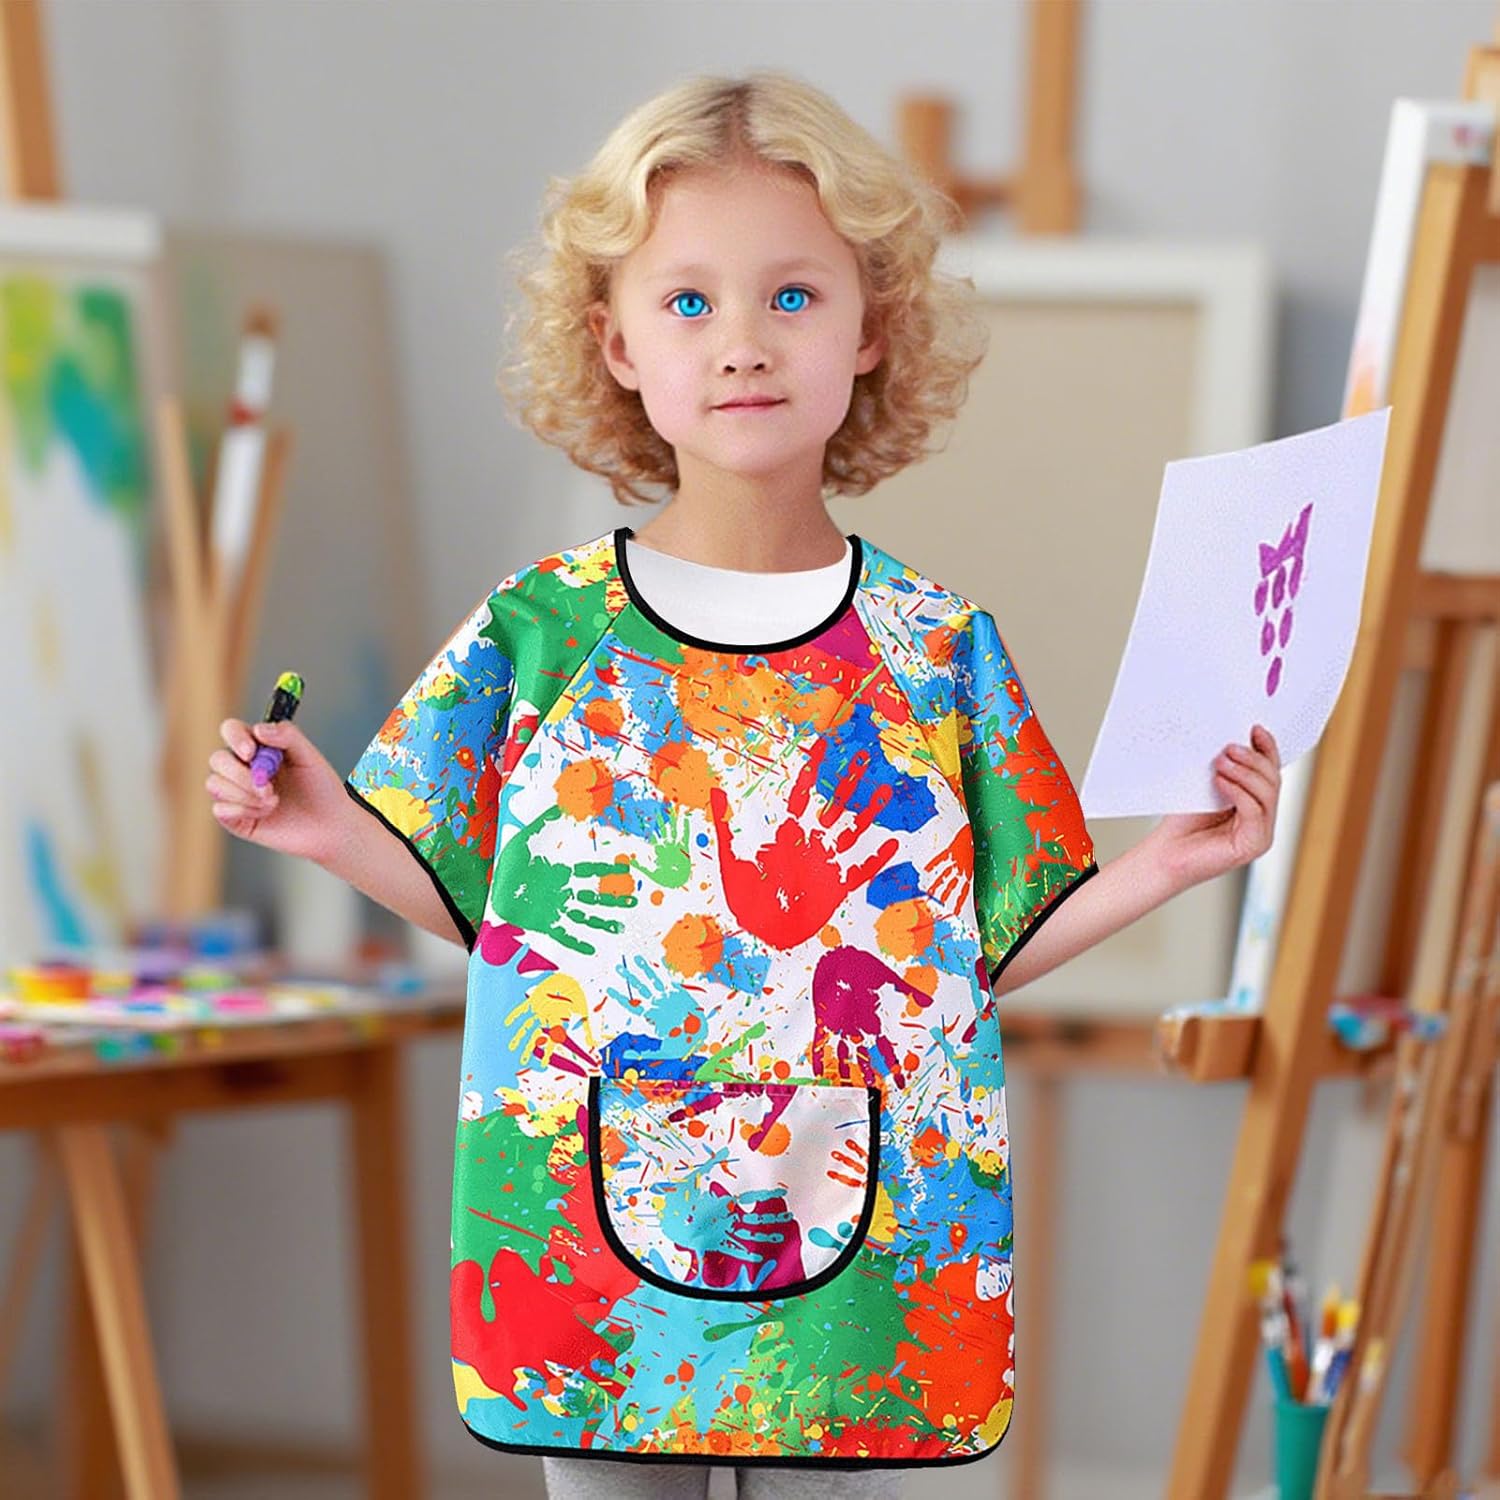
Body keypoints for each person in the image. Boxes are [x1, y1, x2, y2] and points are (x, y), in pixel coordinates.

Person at [203, 70, 1282, 1500]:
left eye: (792, 296)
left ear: (870, 326)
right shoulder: (544, 632)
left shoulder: (937, 650)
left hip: (866, 1225)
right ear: (616, 342)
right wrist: (329, 829)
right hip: (591, 1235)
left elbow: (976, 951)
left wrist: (1171, 862)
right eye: (688, 302)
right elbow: (497, 915)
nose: (743, 344)